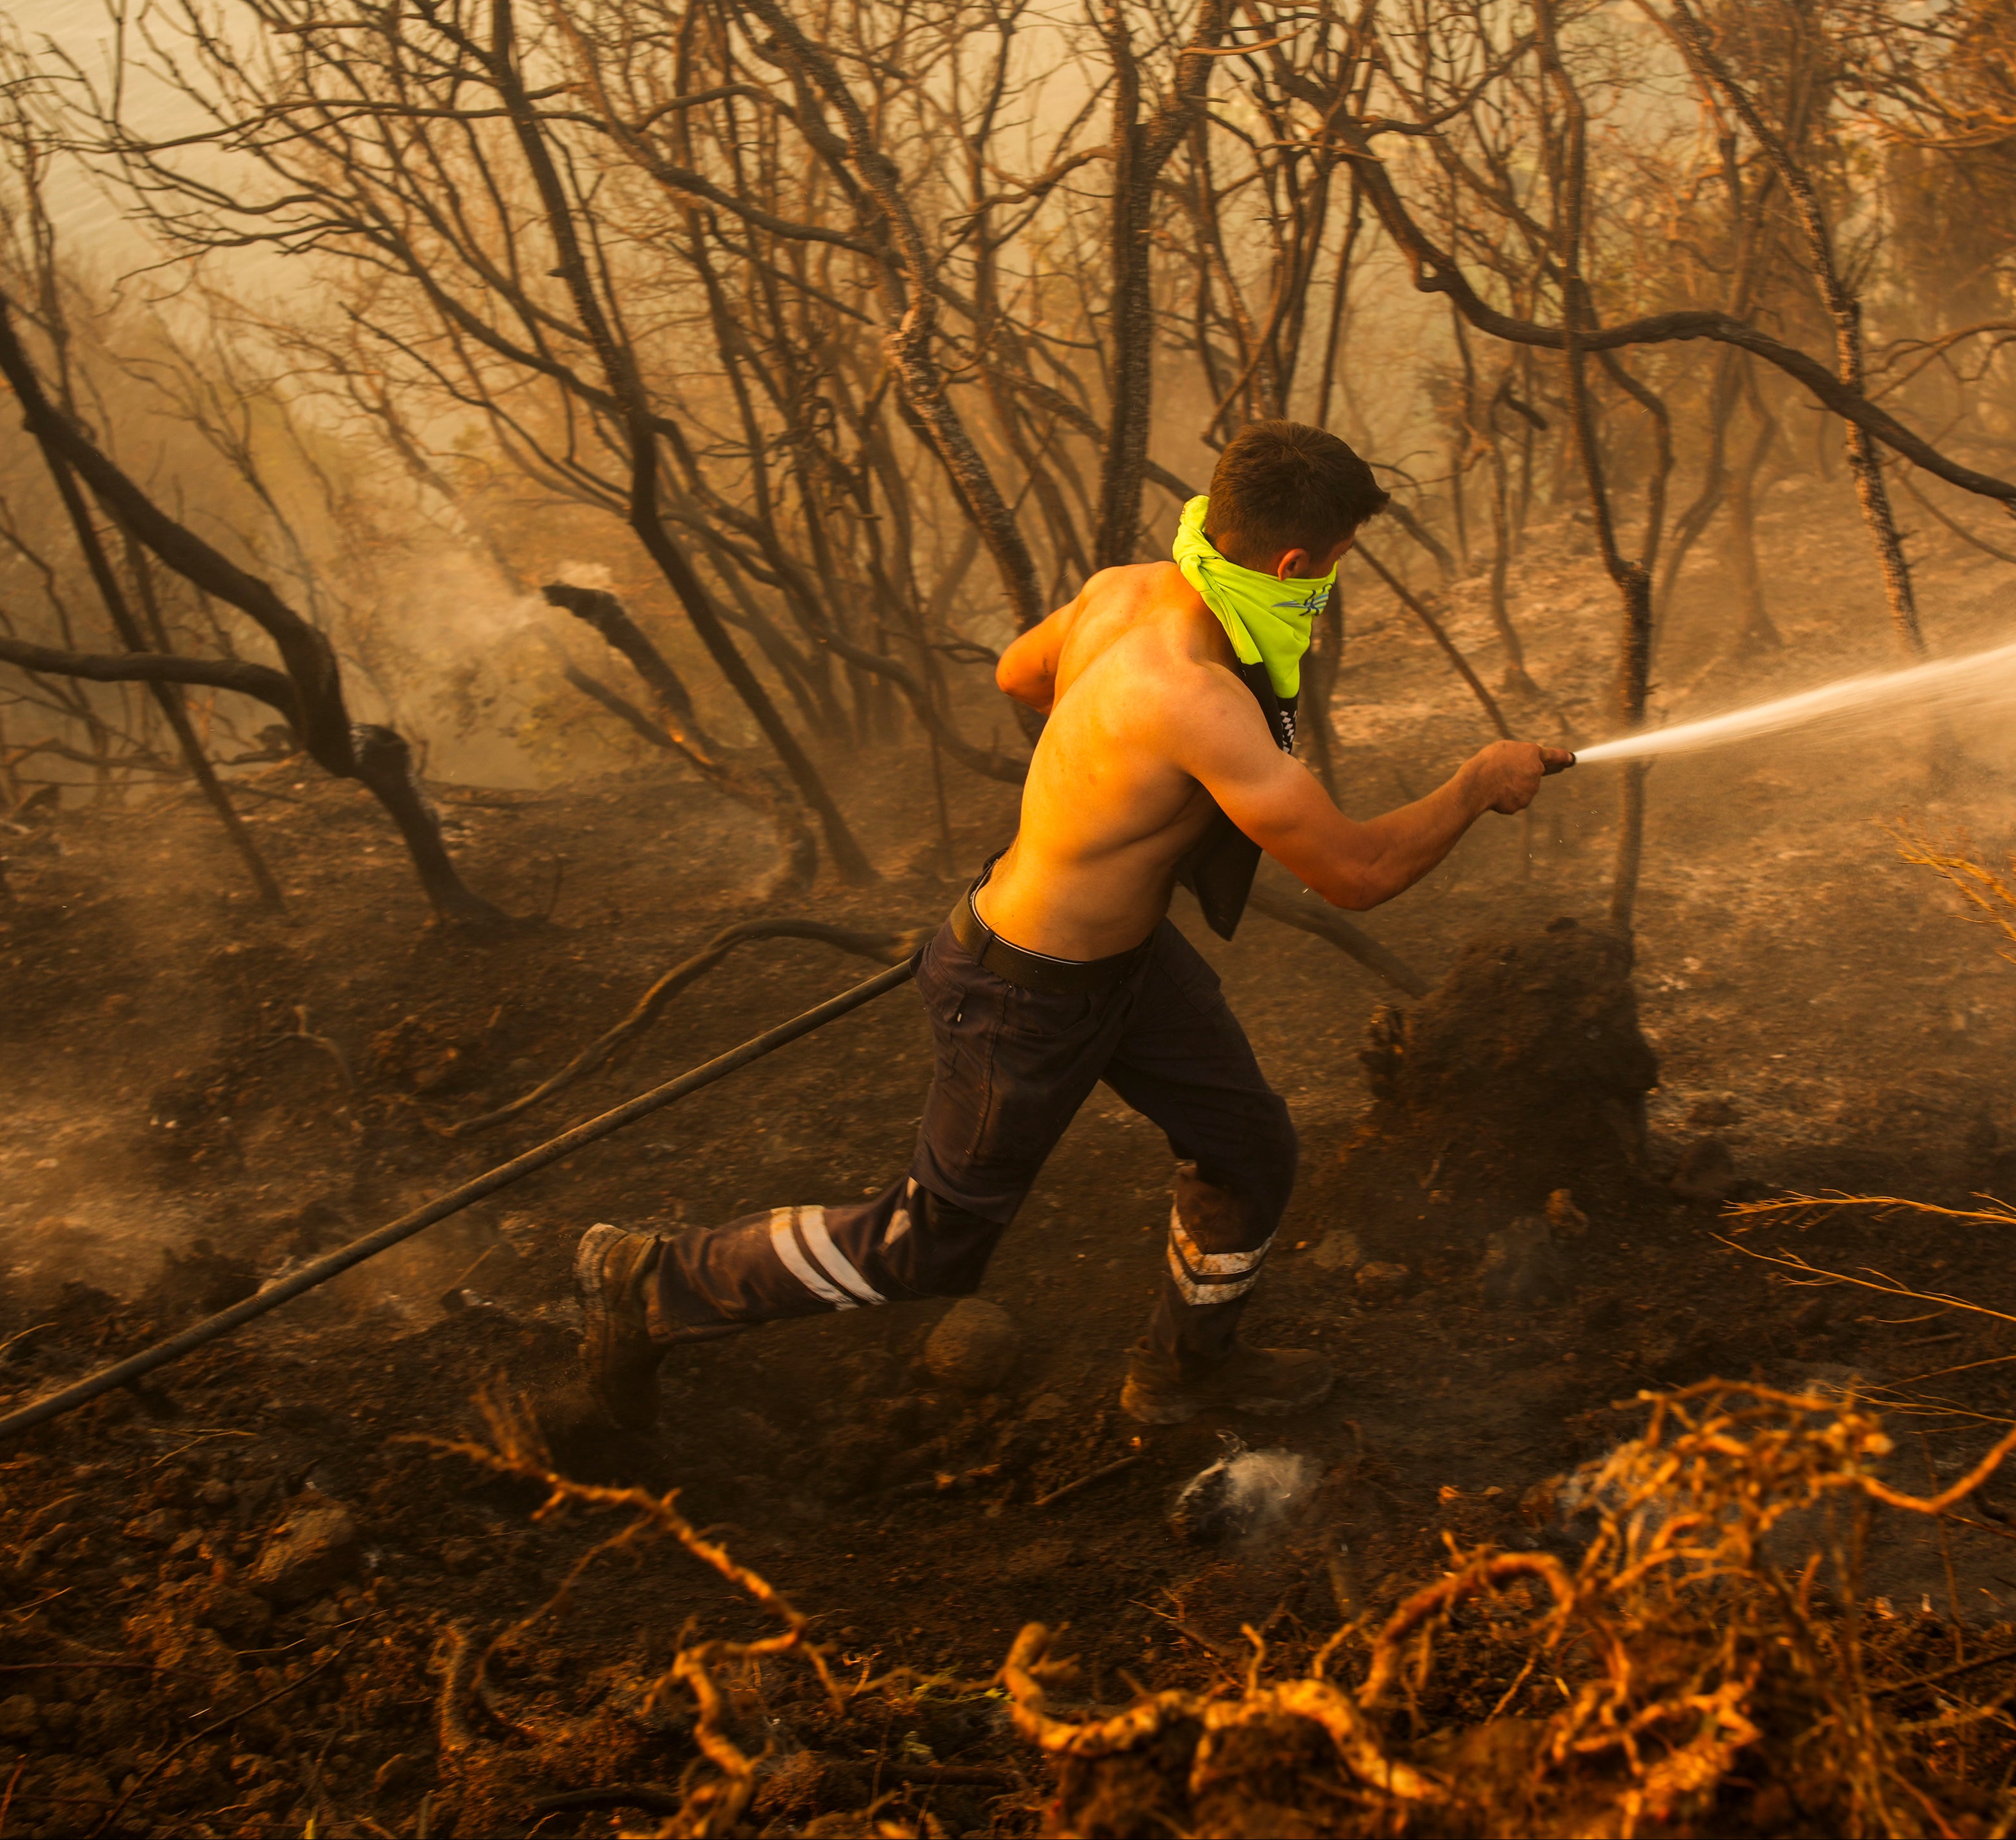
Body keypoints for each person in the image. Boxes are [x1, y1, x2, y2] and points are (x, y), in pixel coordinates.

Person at [575, 423, 1574, 1430]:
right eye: (1337, 566)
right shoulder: (1195, 696)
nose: (1332, 585)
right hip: (1023, 993)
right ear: (1293, 566)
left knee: (1249, 1148)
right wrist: (1477, 781)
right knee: (929, 1243)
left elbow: (1018, 672)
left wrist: (1108, 778)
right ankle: (654, 1281)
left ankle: (1186, 1371)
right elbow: (1357, 872)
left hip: (1124, 968)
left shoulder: (1120, 590)